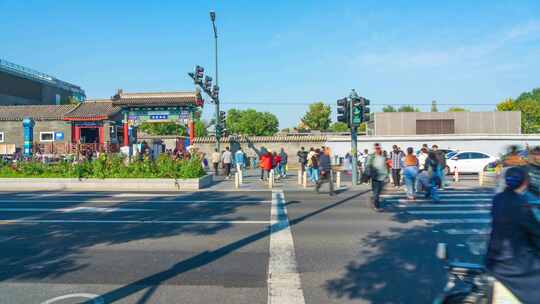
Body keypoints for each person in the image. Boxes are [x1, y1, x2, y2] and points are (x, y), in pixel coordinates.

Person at [485, 167, 540, 303]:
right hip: (512, 262)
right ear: (525, 182)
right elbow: (535, 232)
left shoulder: (499, 199)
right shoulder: (521, 204)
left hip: (495, 257)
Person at [366, 143, 388, 211]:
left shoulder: (382, 157)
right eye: (377, 148)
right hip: (375, 177)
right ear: (375, 149)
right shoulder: (372, 157)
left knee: (378, 191)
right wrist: (368, 175)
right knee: (376, 192)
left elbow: (384, 167)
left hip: (382, 177)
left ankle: (374, 200)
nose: (379, 150)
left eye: (379, 148)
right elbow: (368, 166)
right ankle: (376, 206)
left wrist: (386, 175)